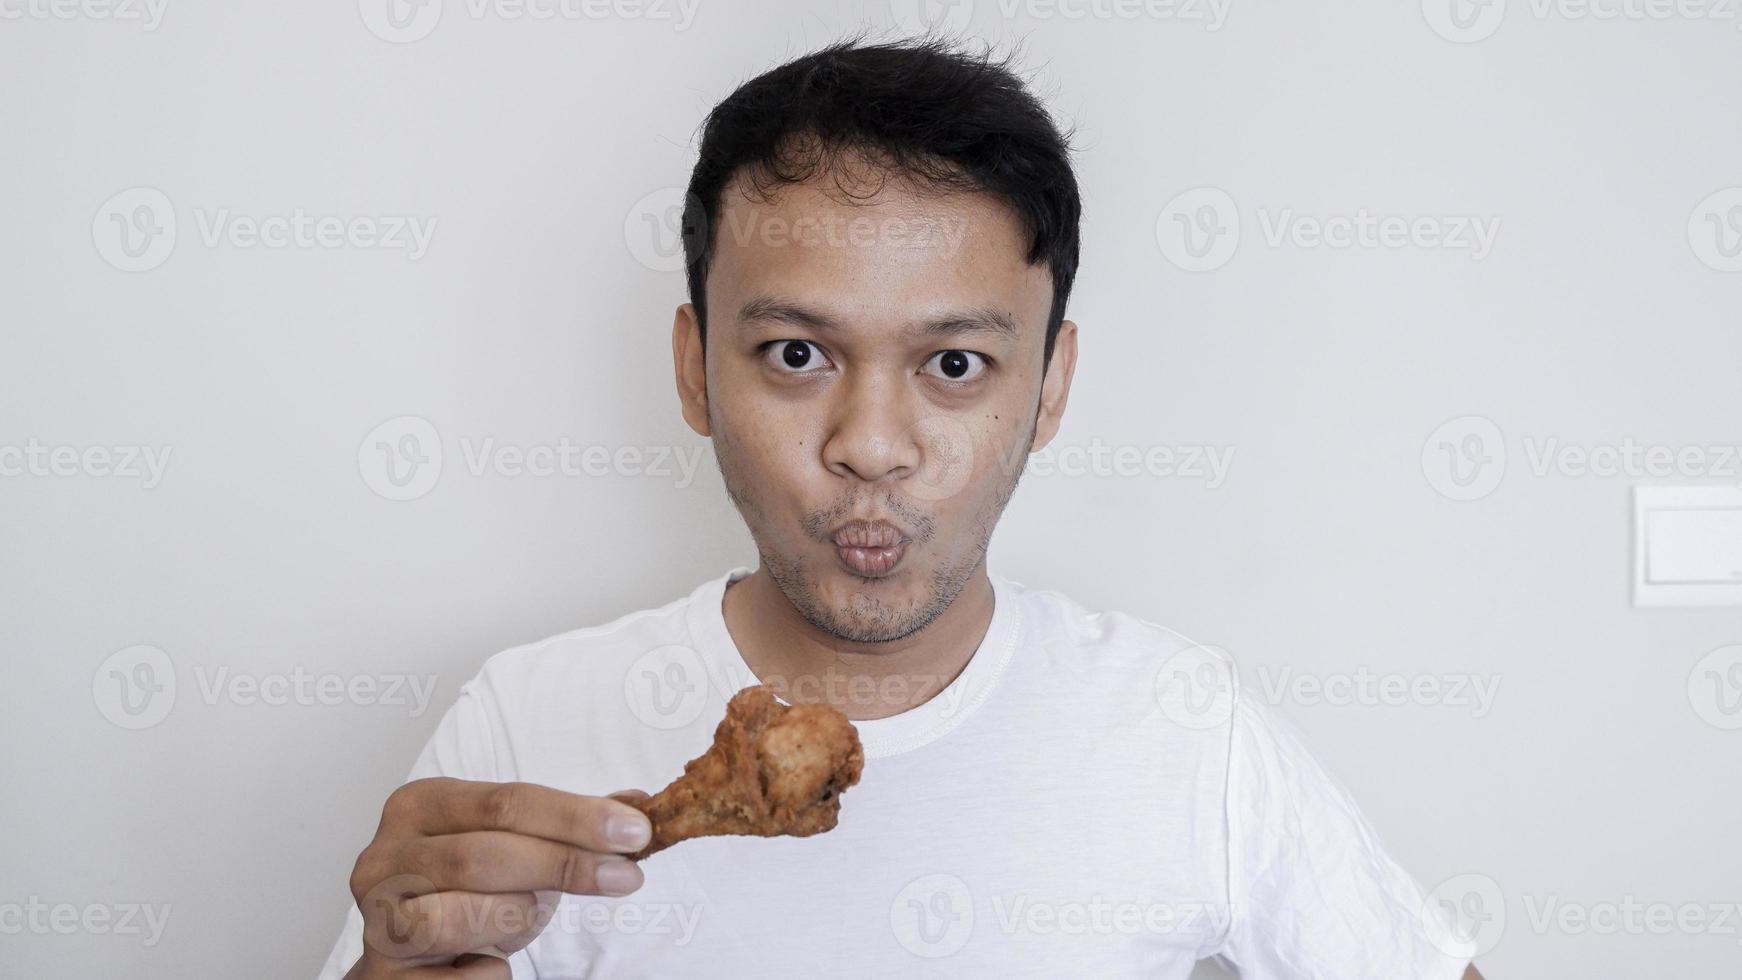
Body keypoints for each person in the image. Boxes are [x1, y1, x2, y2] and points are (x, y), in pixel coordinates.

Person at [319, 35, 1483, 980]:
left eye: (956, 365)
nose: (869, 446)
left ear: (1050, 385)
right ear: (691, 369)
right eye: (792, 351)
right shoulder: (527, 725)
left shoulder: (1183, 726)